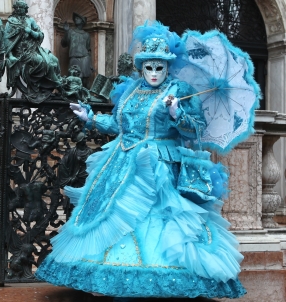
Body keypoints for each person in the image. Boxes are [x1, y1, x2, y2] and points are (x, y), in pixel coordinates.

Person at [35, 22, 246, 299]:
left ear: (168, 67)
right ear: (141, 67)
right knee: (113, 216)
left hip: (160, 165)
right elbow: (119, 126)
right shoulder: (132, 91)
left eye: (160, 67)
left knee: (158, 219)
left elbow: (195, 129)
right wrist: (90, 117)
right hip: (121, 164)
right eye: (149, 67)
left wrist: (176, 113)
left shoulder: (178, 90)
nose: (155, 73)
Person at [4, 0, 63, 103]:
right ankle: (43, 86)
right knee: (41, 61)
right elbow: (6, 40)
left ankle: (52, 85)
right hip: (21, 52)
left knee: (54, 60)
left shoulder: (30, 20)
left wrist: (30, 32)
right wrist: (10, 55)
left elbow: (40, 34)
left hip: (33, 48)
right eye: (18, 8)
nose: (20, 10)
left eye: (22, 8)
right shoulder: (11, 22)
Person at [61, 12, 93, 88]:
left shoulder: (86, 35)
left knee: (85, 79)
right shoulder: (70, 32)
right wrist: (66, 32)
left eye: (78, 18)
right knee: (74, 78)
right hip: (74, 57)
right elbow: (63, 44)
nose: (76, 19)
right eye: (75, 18)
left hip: (85, 58)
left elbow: (88, 49)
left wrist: (90, 64)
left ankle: (86, 94)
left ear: (82, 21)